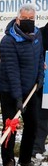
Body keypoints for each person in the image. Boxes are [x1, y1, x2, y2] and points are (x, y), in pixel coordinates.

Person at [0, 3, 44, 166]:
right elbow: (12, 71)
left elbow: (40, 57)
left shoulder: (37, 34)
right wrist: (17, 97)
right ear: (18, 19)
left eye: (31, 19)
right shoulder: (8, 40)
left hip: (30, 89)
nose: (28, 21)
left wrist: (40, 77)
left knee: (32, 124)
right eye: (24, 19)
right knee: (10, 127)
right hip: (10, 90)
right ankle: (8, 163)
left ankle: (25, 159)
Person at [32, 23, 48, 156]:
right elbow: (34, 52)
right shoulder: (41, 33)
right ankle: (38, 145)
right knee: (42, 113)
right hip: (45, 81)